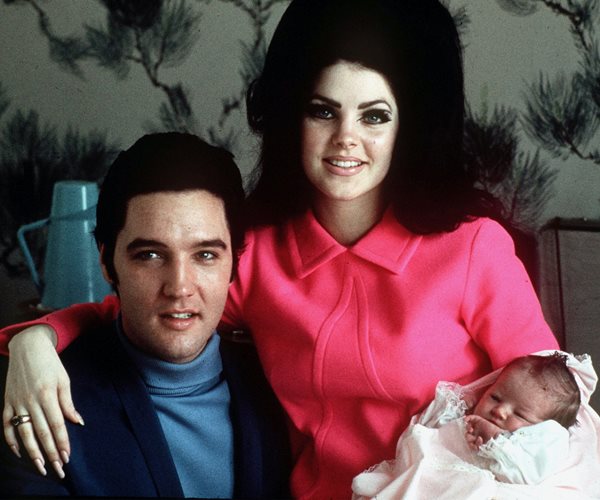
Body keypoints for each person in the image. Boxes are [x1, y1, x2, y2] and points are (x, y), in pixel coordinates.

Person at [5, 0, 599, 498]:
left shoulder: (473, 250)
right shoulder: (258, 254)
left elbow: (554, 413)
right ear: (294, 118)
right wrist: (34, 341)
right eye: (323, 111)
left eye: (374, 116)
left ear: (408, 127)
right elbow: (140, 307)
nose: (345, 139)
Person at [0, 133, 290, 498]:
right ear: (107, 263)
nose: (179, 287)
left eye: (205, 255)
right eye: (150, 255)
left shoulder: (280, 382)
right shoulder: (37, 400)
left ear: (234, 262)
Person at [352, 351, 593, 499]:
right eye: (495, 397)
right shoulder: (465, 414)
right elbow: (433, 433)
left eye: (520, 414)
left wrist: (495, 439)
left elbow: (525, 473)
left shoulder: (545, 443)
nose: (500, 411)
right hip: (429, 474)